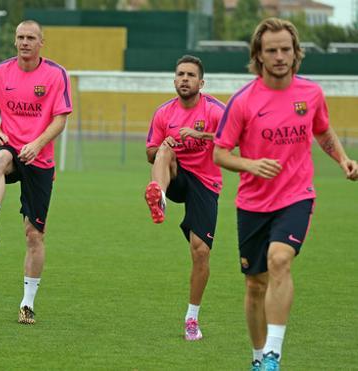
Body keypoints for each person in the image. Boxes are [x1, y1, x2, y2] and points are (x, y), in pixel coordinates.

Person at [213, 18, 358, 370]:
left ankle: (274, 354)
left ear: (296, 53)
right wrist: (250, 165)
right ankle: (258, 358)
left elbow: (322, 131)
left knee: (280, 260)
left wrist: (343, 159)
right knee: (254, 284)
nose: (279, 56)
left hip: (296, 195)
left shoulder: (311, 94)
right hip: (253, 202)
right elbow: (219, 153)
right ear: (258, 56)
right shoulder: (243, 101)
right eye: (271, 50)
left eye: (285, 49)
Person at [0, 20, 72, 325]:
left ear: (41, 42)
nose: (24, 42)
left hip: (39, 157)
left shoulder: (56, 75)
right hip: (10, 147)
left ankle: (27, 304)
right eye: (20, 37)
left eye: (31, 37)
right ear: (14, 41)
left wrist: (38, 143)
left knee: (34, 235)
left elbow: (60, 119)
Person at [144, 55, 226, 341]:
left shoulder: (216, 109)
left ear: (201, 82)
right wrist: (165, 146)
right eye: (180, 74)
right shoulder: (164, 113)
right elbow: (150, 154)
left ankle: (192, 318)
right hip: (176, 174)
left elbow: (235, 140)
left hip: (205, 182)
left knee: (200, 251)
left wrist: (201, 135)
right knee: (164, 151)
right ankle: (159, 197)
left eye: (191, 75)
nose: (184, 79)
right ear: (174, 79)